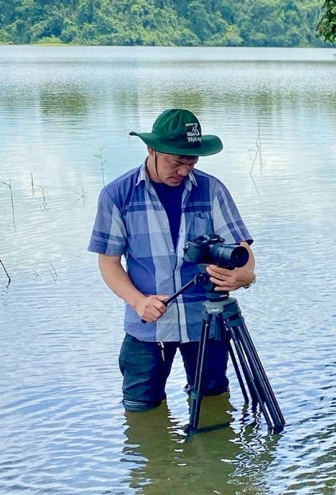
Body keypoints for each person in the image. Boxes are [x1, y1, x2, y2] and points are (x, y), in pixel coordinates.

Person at [88, 109, 257, 412]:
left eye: (191, 162)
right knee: (140, 409)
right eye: (176, 162)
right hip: (148, 323)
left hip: (206, 319)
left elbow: (242, 250)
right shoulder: (117, 195)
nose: (183, 171)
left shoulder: (212, 189)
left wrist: (245, 275)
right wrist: (138, 301)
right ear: (151, 149)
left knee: (213, 404)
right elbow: (109, 264)